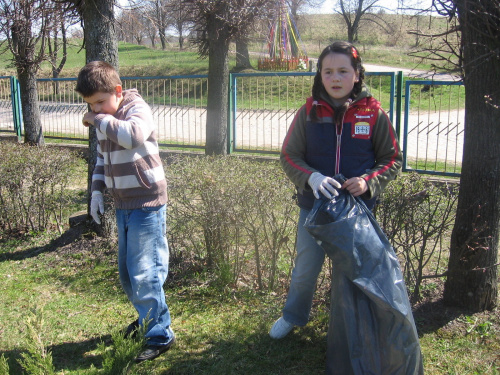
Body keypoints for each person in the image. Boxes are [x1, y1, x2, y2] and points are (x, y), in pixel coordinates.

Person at [270, 41, 403, 339]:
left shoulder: (373, 113)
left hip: (357, 213)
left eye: (343, 71)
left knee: (353, 273)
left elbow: (392, 159)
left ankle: (351, 327)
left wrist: (368, 181)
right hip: (314, 209)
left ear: (357, 74)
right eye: (328, 71)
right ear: (320, 75)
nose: (335, 78)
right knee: (305, 269)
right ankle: (293, 316)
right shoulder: (308, 112)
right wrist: (312, 178)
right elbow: (289, 156)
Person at [75, 61, 175, 362]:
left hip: (147, 201)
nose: (97, 110)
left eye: (101, 102)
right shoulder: (106, 120)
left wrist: (95, 118)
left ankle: (160, 333)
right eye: (91, 105)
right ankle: (147, 318)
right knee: (128, 274)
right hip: (123, 203)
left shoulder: (135, 108)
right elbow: (102, 159)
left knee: (146, 272)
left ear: (117, 91)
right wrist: (95, 191)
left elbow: (133, 136)